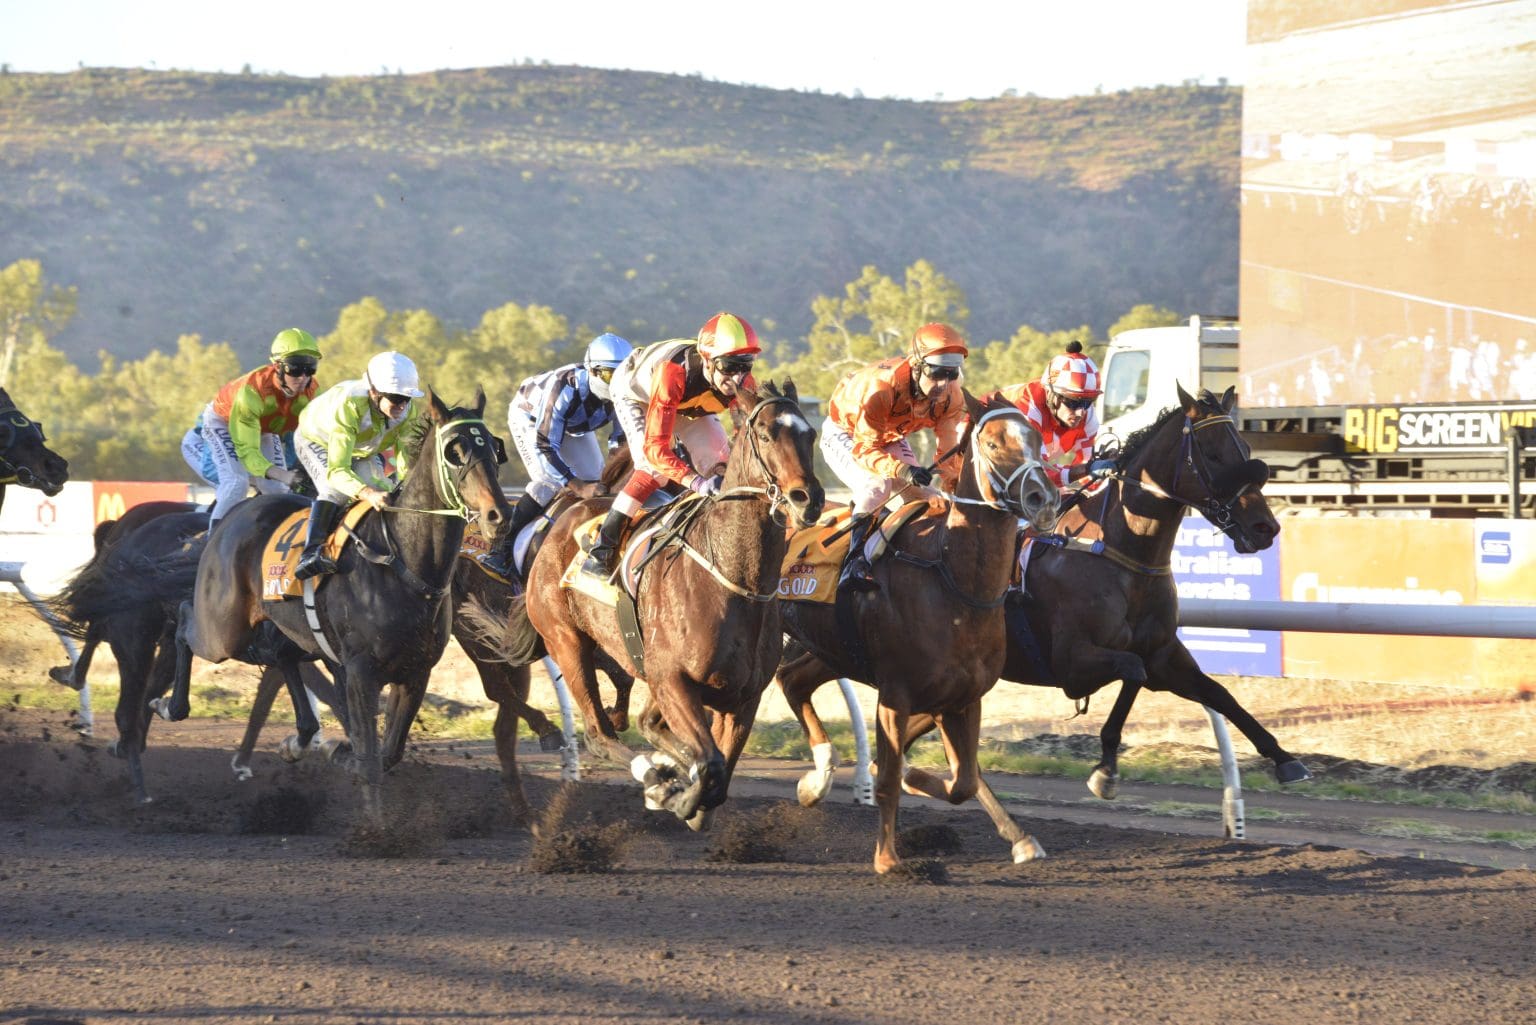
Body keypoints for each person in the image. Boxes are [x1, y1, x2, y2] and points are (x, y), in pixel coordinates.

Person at [579, 312, 759, 579]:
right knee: (654, 470)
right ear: (708, 361)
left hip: (690, 403)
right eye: (729, 366)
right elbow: (656, 451)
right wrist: (696, 483)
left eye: (746, 364)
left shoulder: (744, 383)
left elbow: (743, 441)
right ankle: (601, 550)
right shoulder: (672, 373)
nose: (737, 377)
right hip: (637, 394)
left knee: (720, 464)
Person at [820, 322, 970, 591]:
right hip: (848, 432)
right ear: (917, 365)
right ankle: (853, 563)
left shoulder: (951, 395)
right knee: (877, 486)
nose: (943, 384)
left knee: (928, 496)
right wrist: (902, 470)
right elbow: (865, 449)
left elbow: (948, 457)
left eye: (951, 374)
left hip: (889, 435)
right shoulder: (882, 389)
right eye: (936, 374)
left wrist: (956, 491)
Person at [481, 332, 633, 578]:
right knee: (548, 483)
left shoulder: (624, 392)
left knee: (599, 480)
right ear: (593, 371)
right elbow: (544, 444)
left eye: (625, 373)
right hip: (530, 420)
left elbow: (620, 442)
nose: (618, 382)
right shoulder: (564, 389)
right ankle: (501, 550)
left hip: (574, 426)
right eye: (609, 374)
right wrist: (577, 486)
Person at [292, 350, 426, 580]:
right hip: (316, 440)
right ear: (374, 392)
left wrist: (406, 485)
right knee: (334, 488)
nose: (402, 406)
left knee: (384, 487)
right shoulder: (350, 406)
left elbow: (404, 458)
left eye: (406, 399)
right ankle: (310, 552)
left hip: (361, 447)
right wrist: (367, 493)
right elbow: (337, 470)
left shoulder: (407, 412)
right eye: (395, 398)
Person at [180, 328, 322, 527]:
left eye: (310, 369)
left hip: (261, 427)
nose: (303, 377)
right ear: (277, 366)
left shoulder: (312, 393)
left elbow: (311, 437)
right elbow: (248, 453)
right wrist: (285, 475)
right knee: (236, 484)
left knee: (277, 490)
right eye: (295, 369)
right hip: (223, 422)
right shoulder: (252, 392)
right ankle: (210, 545)